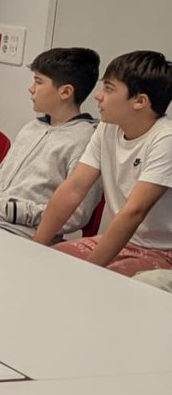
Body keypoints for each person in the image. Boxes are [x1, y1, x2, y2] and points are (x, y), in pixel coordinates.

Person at [35, 50, 172, 275]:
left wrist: (91, 272)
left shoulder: (165, 139)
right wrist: (36, 247)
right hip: (121, 242)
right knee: (51, 262)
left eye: (108, 89)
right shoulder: (108, 126)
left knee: (100, 281)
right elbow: (74, 188)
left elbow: (134, 212)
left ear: (140, 101)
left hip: (162, 251)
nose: (98, 96)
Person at [0, 47, 101, 238]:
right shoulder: (31, 128)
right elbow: (1, 177)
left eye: (39, 81)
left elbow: (74, 214)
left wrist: (14, 211)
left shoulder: (86, 140)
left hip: (20, 233)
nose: (31, 88)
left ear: (66, 92)